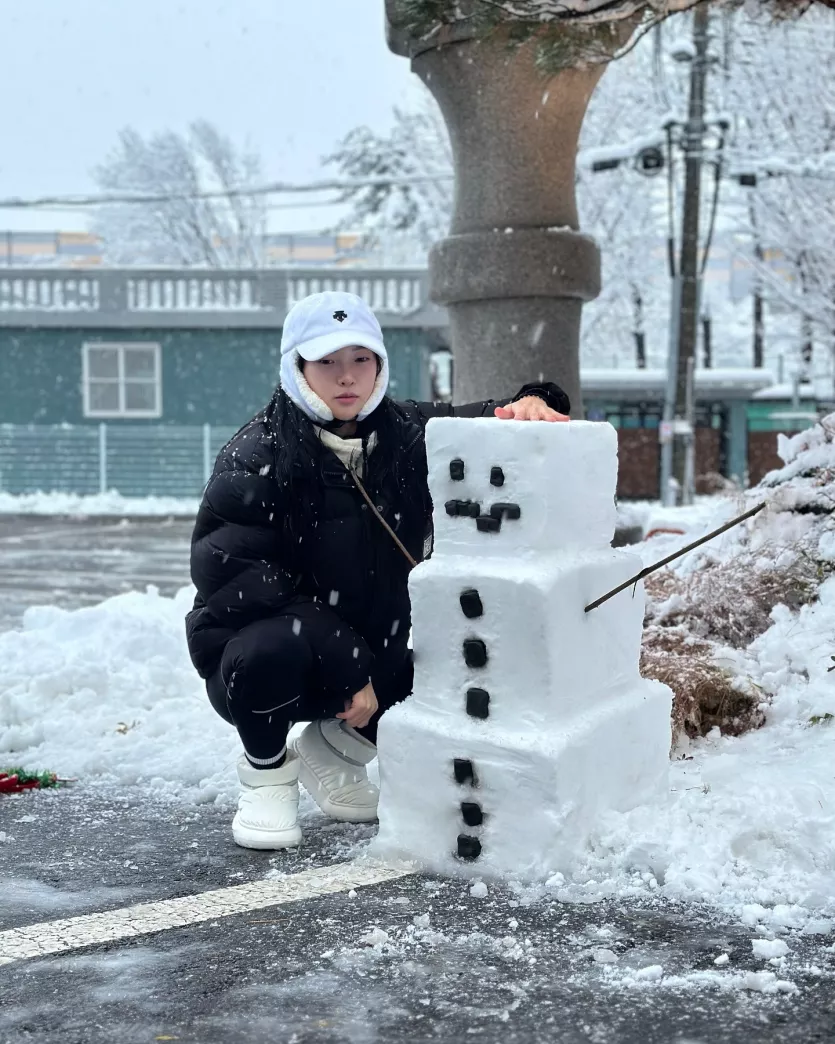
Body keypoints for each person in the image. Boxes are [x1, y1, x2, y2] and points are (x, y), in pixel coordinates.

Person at [186, 291, 570, 850]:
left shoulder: (408, 433)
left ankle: (333, 751)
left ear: (380, 365)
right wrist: (345, 662)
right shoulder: (255, 456)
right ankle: (266, 773)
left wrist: (534, 399)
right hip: (266, 657)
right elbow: (238, 580)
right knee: (270, 651)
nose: (347, 378)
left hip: (368, 656)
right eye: (327, 362)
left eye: (360, 360)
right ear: (298, 369)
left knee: (457, 683)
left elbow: (486, 417)